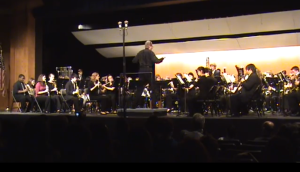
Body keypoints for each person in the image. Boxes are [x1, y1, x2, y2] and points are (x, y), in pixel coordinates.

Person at [132, 40, 165, 108]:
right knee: (152, 88)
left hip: (141, 71)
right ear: (150, 46)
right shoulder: (150, 52)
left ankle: (133, 105)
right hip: (149, 71)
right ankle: (153, 106)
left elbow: (134, 61)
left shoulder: (140, 52)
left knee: (139, 89)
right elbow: (156, 61)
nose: (152, 48)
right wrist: (162, 59)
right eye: (152, 46)